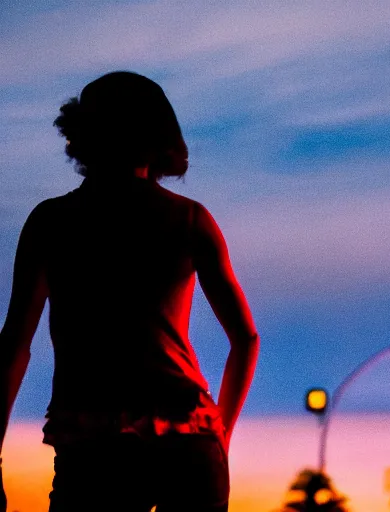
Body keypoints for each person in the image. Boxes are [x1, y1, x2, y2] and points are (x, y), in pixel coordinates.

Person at [0, 71, 260, 511]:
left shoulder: (52, 222)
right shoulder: (190, 219)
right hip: (189, 440)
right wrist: (222, 433)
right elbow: (245, 338)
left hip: (95, 442)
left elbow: (14, 347)